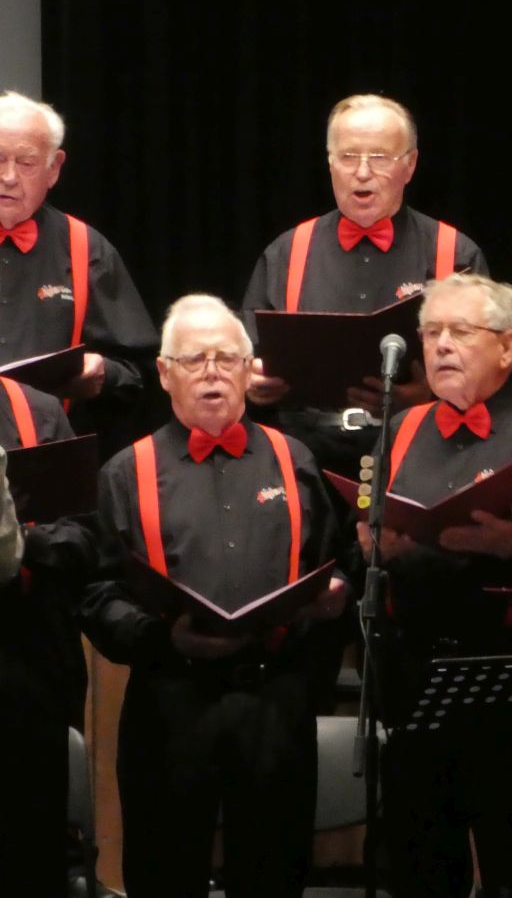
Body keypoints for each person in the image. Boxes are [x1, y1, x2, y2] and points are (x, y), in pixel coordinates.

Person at [79, 294, 350, 898]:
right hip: (170, 707)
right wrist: (162, 637)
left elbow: (334, 563)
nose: (212, 372)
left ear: (248, 370)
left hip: (274, 705)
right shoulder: (125, 471)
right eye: (194, 359)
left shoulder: (295, 459)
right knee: (164, 877)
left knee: (275, 876)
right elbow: (98, 594)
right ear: (164, 372)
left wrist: (333, 596)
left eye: (227, 359)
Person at [366, 273, 512, 898]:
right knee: (419, 865)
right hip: (414, 670)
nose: (440, 345)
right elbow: (370, 527)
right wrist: (373, 549)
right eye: (431, 332)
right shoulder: (401, 426)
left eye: (460, 331)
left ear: (507, 346)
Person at [242, 93, 489, 475]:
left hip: (419, 456)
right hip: (304, 459)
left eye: (379, 157)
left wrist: (428, 396)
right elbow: (243, 356)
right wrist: (253, 380)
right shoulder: (286, 253)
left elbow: (488, 370)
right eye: (348, 156)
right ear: (330, 163)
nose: (361, 172)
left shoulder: (454, 253)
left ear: (410, 165)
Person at [0, 91, 158, 451]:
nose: (8, 177)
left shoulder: (86, 249)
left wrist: (102, 372)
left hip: (46, 457)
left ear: (53, 169)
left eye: (26, 163)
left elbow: (141, 372)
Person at [0, 376, 99, 897]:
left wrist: (22, 542)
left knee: (33, 854)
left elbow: (85, 536)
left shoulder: (35, 410)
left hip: (28, 660)